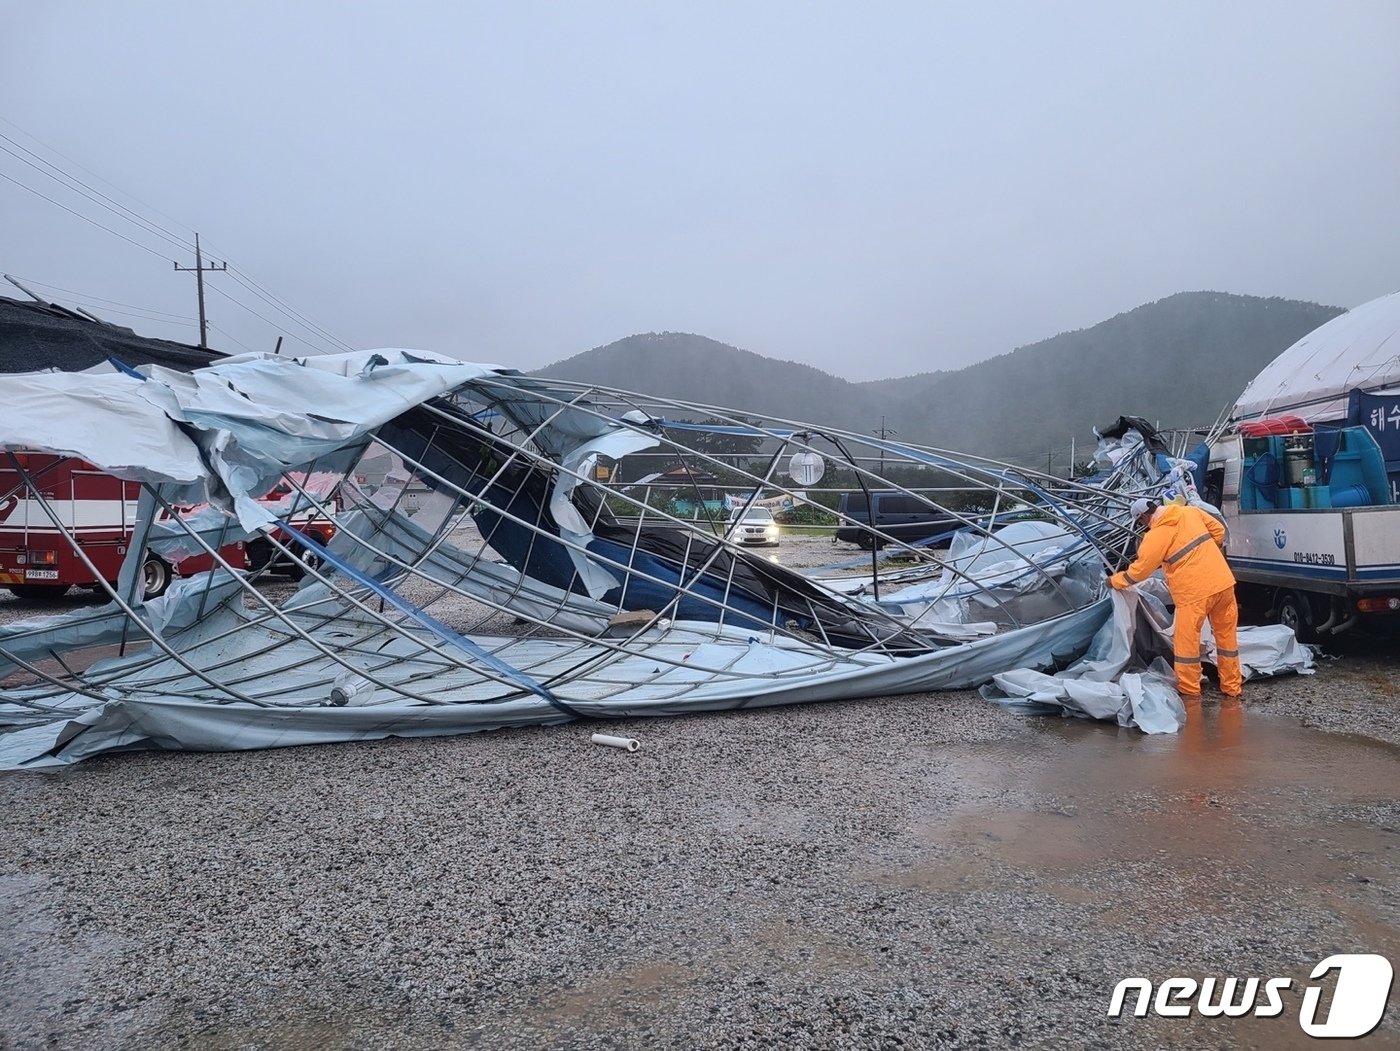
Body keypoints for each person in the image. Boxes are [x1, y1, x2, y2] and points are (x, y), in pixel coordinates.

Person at [1110, 497, 1242, 699]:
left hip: (1193, 592)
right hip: (1222, 583)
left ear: (1145, 516)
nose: (1142, 525)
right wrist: (1205, 555)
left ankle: (1190, 692)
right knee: (1227, 638)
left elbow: (1140, 571)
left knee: (1187, 644)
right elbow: (1219, 531)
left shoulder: (1156, 536)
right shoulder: (1190, 512)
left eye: (1140, 522)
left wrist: (1115, 581)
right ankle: (1232, 688)